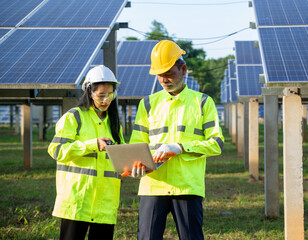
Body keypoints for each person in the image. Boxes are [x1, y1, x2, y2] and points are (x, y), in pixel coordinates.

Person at [128, 40, 224, 240]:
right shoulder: (147, 104)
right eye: (159, 75)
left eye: (169, 73)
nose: (164, 79)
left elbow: (216, 143)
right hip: (153, 185)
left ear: (184, 69)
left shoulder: (203, 102)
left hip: (187, 186)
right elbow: (136, 145)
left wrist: (181, 147)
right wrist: (135, 166)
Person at [48, 65, 125, 240]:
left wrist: (129, 166)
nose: (106, 100)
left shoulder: (114, 124)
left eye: (110, 95)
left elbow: (120, 157)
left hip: (105, 203)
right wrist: (91, 145)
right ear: (89, 92)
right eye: (101, 95)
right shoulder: (73, 117)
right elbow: (56, 150)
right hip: (77, 202)